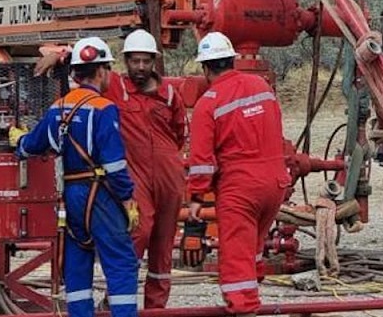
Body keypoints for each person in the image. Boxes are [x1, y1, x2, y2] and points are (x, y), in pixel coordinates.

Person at [10, 37, 141, 317]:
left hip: (72, 197)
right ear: (102, 71)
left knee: (78, 261)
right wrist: (128, 199)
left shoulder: (58, 108)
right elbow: (115, 165)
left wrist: (17, 142)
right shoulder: (104, 109)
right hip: (102, 195)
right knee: (121, 263)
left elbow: (32, 146)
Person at [185, 32, 291, 316]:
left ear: (206, 68)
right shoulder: (261, 85)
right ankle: (252, 286)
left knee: (235, 254)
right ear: (232, 60)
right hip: (275, 183)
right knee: (253, 244)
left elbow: (202, 161)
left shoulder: (208, 102)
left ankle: (244, 307)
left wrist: (196, 195)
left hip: (241, 188)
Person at [103, 29, 186, 309]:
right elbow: (89, 69)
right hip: (135, 174)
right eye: (134, 61)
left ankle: (155, 309)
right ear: (125, 61)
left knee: (163, 246)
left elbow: (179, 134)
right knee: (139, 229)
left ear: (154, 61)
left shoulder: (171, 94)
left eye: (145, 61)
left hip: (170, 177)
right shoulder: (116, 88)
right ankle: (119, 297)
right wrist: (60, 55)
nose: (140, 67)